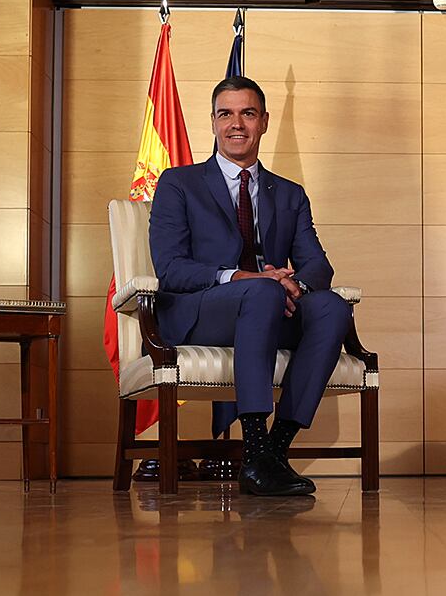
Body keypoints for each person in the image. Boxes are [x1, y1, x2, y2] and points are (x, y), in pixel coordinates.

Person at [146, 76, 352, 497]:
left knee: (331, 307)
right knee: (262, 292)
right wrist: (245, 278)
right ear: (213, 122)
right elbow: (171, 269)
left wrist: (291, 282)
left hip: (271, 305)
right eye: (226, 114)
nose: (236, 123)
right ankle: (255, 448)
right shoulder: (178, 183)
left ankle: (274, 451)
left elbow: (317, 264)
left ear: (263, 122)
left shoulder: (290, 193)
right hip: (201, 313)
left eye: (247, 113)